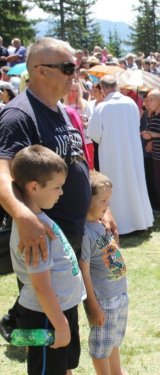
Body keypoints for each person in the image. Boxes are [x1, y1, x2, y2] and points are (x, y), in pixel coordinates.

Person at [0, 37, 117, 344]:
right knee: (49, 333)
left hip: (70, 234)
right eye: (67, 67)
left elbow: (80, 164)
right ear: (40, 71)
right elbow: (1, 174)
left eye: (74, 67)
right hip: (44, 237)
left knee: (66, 336)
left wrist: (103, 208)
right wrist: (24, 218)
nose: (74, 74)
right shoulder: (18, 115)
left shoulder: (63, 111)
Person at [10, 145, 86, 375]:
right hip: (47, 317)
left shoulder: (41, 219)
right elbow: (41, 285)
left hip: (61, 311)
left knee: (63, 367)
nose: (61, 192)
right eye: (57, 187)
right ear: (34, 187)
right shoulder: (33, 232)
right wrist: (60, 325)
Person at [88, 75, 153, 235]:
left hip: (113, 154)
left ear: (103, 89)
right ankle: (139, 221)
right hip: (132, 152)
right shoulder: (131, 103)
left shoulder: (102, 107)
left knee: (116, 185)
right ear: (116, 86)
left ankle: (121, 223)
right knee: (134, 182)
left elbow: (94, 134)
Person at [79, 170, 128, 375]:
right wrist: (92, 304)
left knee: (114, 339)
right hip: (103, 300)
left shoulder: (101, 224)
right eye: (103, 201)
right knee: (101, 345)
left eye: (109, 200)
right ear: (86, 200)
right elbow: (85, 272)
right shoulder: (85, 233)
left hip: (118, 294)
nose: (108, 205)